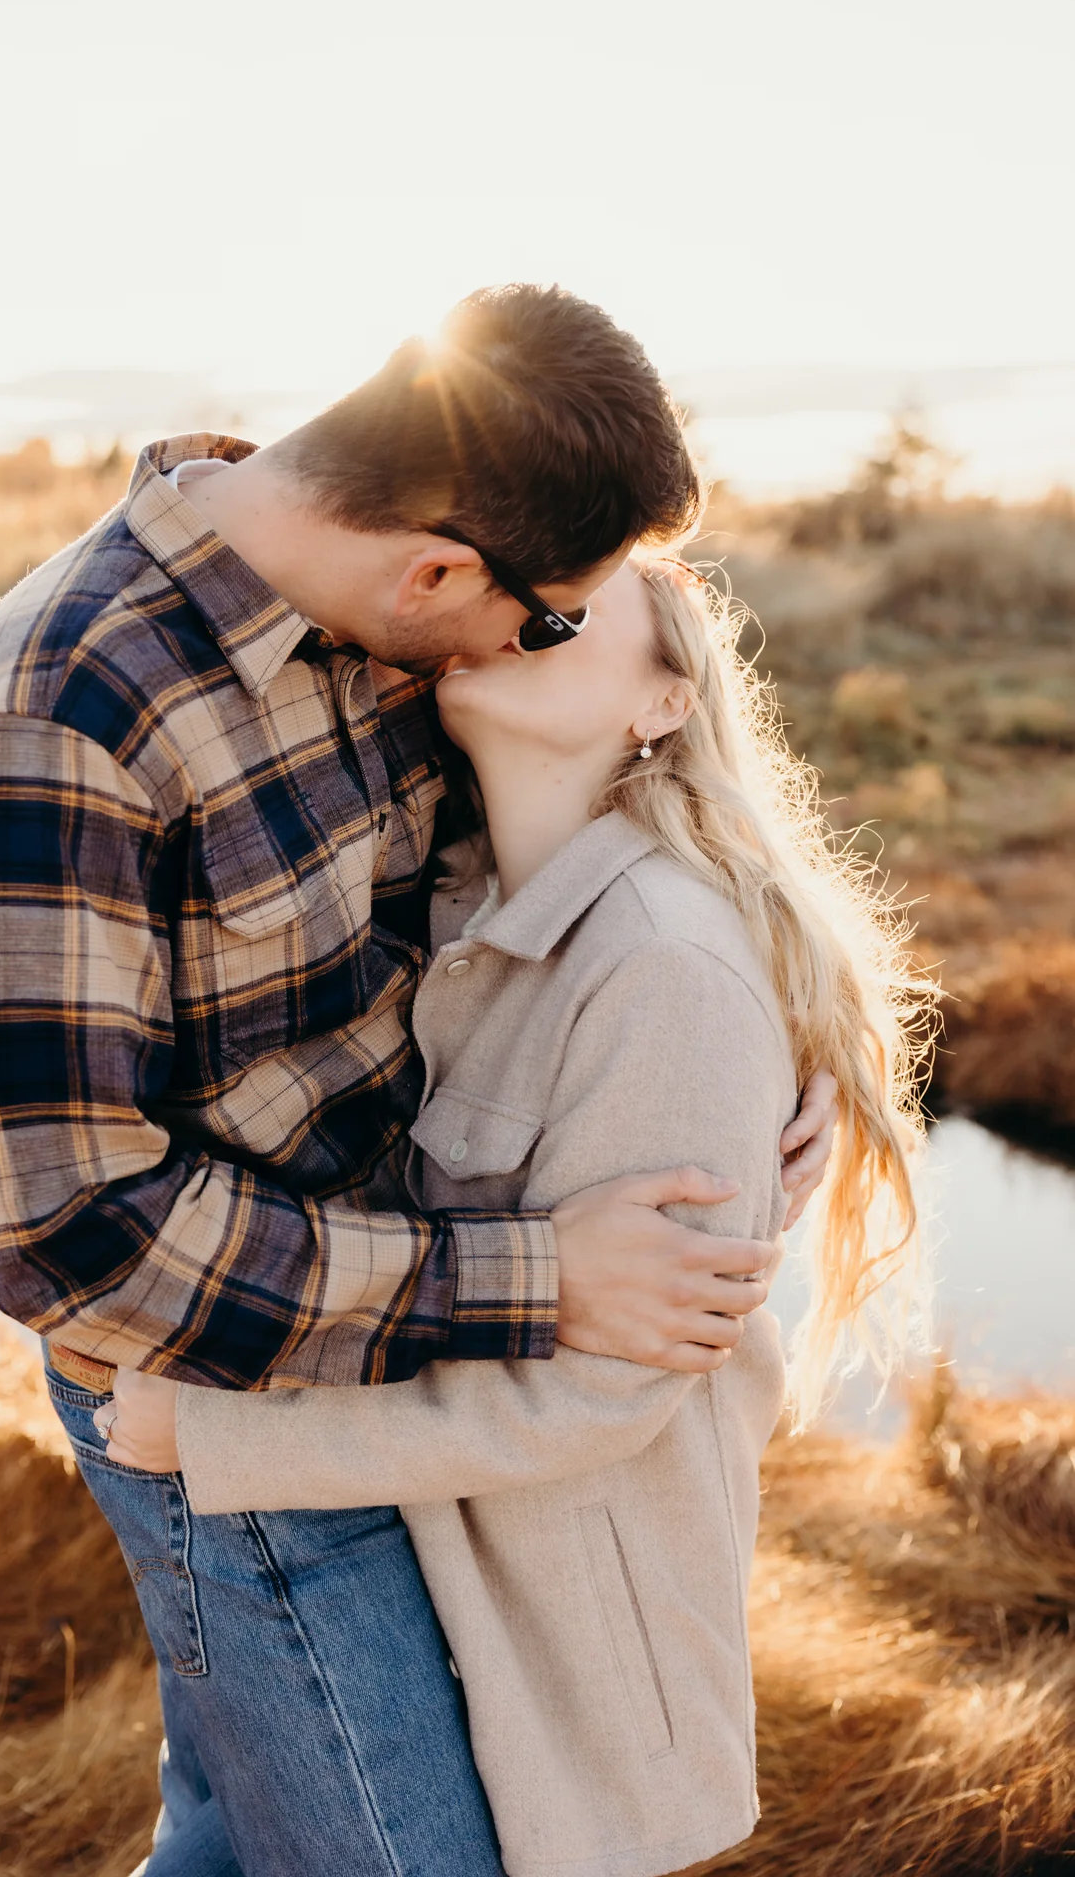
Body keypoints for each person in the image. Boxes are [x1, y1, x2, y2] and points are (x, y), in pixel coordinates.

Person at [0, 285, 837, 1876]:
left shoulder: (381, 624)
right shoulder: (63, 711)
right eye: (547, 616)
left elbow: (548, 849)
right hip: (219, 1381)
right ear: (440, 570)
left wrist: (759, 1053)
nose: (528, 650)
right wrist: (543, 1276)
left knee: (220, 1831)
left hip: (396, 1362)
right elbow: (78, 1238)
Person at [102, 552, 931, 1877]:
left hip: (558, 1672)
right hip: (412, 1574)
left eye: (581, 608)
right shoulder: (444, 902)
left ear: (664, 702)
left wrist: (220, 1436)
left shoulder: (664, 961)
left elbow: (599, 1392)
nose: (532, 610)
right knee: (208, 1847)